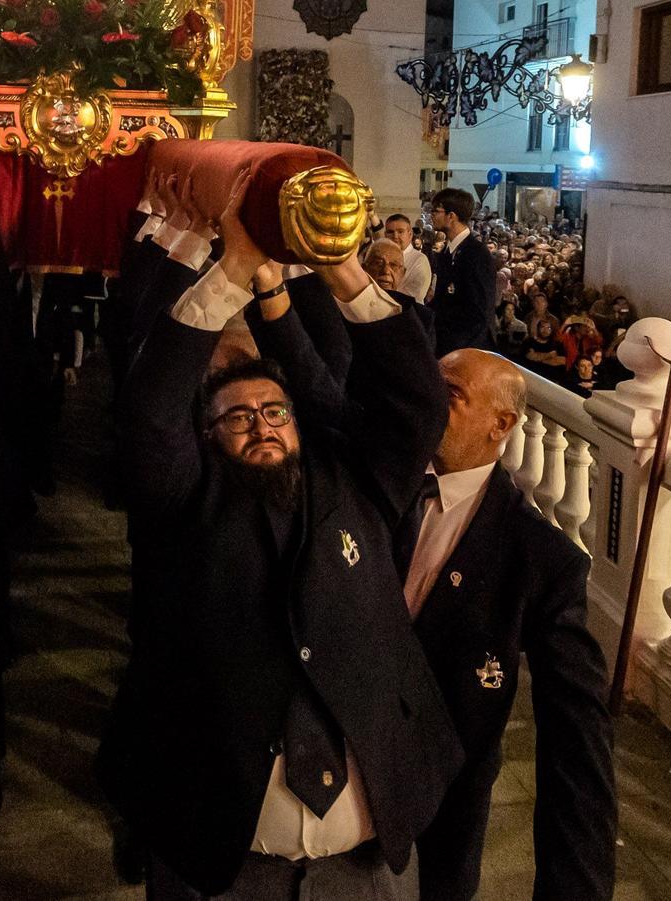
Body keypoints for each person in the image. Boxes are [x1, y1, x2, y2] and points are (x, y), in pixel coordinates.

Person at [103, 171, 454, 900]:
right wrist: (229, 272)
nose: (261, 422)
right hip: (221, 861)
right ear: (206, 438)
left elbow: (415, 399)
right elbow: (150, 409)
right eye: (237, 416)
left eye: (274, 411)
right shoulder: (183, 500)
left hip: (358, 863)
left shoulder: (359, 485)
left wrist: (338, 264)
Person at [399, 351, 614, 900]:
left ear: (501, 425)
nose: (426, 400)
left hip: (442, 808)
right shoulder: (378, 486)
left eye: (449, 395)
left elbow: (576, 740)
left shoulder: (541, 558)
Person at [428, 189, 497, 356]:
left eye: (436, 211)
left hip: (465, 349)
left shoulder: (476, 253)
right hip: (446, 344)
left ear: (451, 216)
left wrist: (458, 352)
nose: (431, 215)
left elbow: (480, 311)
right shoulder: (447, 251)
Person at [383, 214, 432, 305]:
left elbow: (413, 296)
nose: (395, 236)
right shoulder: (380, 258)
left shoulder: (420, 260)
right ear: (385, 235)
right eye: (390, 232)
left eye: (400, 232)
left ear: (410, 234)